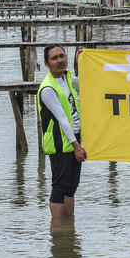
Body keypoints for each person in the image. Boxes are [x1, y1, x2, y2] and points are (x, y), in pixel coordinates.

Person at [37, 45, 87, 219]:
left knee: (71, 186)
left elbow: (87, 84)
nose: (59, 61)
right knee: (59, 186)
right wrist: (76, 146)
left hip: (74, 137)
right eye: (54, 58)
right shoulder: (48, 89)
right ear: (46, 63)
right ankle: (57, 229)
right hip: (60, 140)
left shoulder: (68, 78)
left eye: (62, 56)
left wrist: (81, 62)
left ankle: (68, 227)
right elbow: (62, 119)